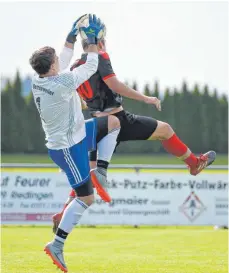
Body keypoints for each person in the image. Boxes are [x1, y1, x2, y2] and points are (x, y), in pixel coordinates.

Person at [52, 22, 216, 233]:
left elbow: (79, 98)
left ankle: (63, 212)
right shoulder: (101, 56)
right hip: (117, 121)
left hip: (96, 125)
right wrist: (146, 98)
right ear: (99, 42)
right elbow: (115, 85)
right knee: (165, 130)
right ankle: (194, 164)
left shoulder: (75, 66)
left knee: (87, 180)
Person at [30, 14, 119, 273]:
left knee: (114, 123)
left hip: (76, 135)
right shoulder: (62, 82)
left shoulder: (40, 79)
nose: (60, 59)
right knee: (86, 199)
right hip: (67, 148)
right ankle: (57, 244)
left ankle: (99, 172)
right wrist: (91, 40)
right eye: (57, 60)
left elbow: (64, 60)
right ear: (53, 66)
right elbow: (90, 66)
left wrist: (71, 37)